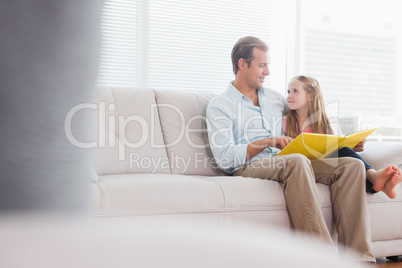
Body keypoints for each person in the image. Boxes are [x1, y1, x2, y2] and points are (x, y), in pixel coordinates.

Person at [206, 36, 375, 262]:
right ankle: (320, 257)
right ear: (242, 64)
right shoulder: (220, 105)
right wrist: (268, 141)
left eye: (268, 65)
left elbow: (306, 120)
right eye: (262, 65)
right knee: (295, 161)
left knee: (351, 166)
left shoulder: (276, 99)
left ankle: (357, 258)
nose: (267, 71)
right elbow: (225, 158)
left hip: (287, 160)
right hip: (248, 166)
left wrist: (343, 145)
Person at [283, 75, 402, 199]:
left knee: (347, 156)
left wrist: (353, 147)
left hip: (323, 162)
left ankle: (380, 185)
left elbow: (333, 148)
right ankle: (374, 176)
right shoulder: (285, 121)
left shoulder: (324, 123)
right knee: (345, 156)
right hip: (302, 166)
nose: (289, 96)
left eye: (295, 91)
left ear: (310, 96)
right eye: (288, 91)